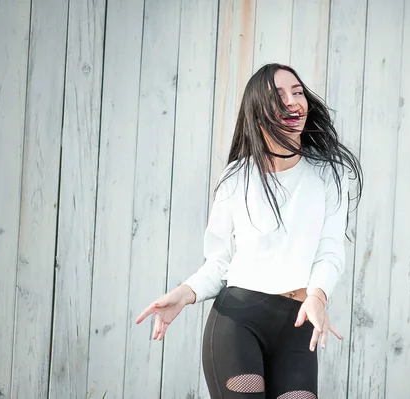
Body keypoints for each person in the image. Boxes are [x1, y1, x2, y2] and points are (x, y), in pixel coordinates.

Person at [135, 63, 363, 398]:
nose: (292, 102)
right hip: (237, 322)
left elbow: (330, 250)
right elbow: (220, 263)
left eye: (297, 93)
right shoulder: (237, 177)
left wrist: (317, 296)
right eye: (278, 96)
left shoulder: (328, 175)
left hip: (298, 323)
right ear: (258, 114)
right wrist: (184, 294)